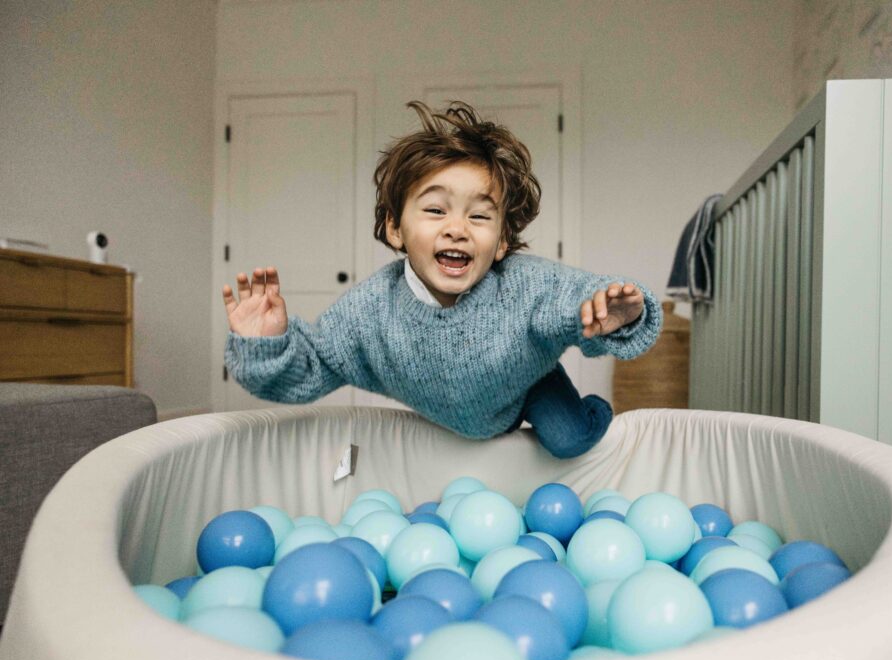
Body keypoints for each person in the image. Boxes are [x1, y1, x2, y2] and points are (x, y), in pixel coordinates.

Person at [222, 100, 662, 458]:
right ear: (395, 228)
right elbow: (313, 367)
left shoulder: (522, 285)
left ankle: (595, 414)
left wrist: (617, 311)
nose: (457, 228)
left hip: (526, 385)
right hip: (456, 410)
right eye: (435, 210)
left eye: (479, 216)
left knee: (569, 440)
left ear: (503, 239)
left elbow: (576, 297)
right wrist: (269, 344)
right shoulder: (372, 313)